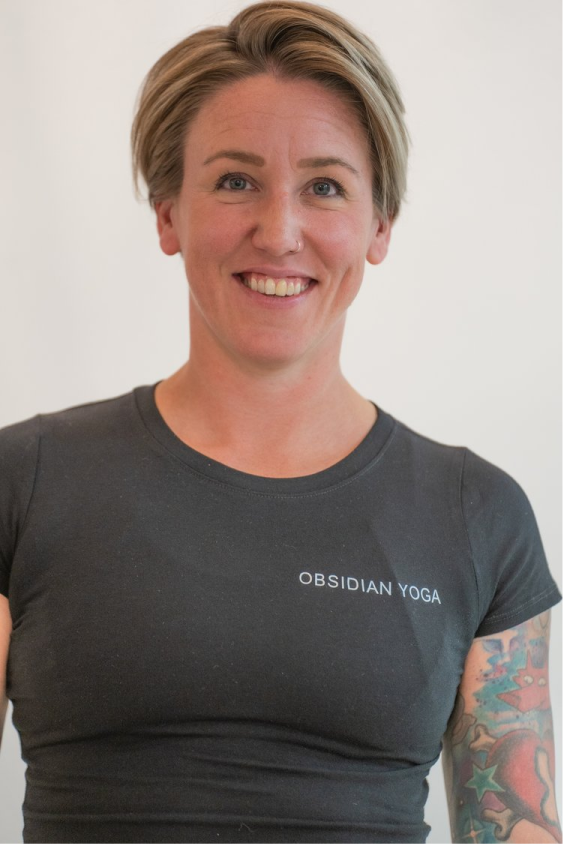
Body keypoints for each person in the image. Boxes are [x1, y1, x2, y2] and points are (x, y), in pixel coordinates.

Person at [0, 1, 560, 842]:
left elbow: (514, 827)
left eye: (324, 187)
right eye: (235, 181)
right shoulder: (25, 482)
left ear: (378, 225)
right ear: (167, 212)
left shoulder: (476, 515)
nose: (279, 232)